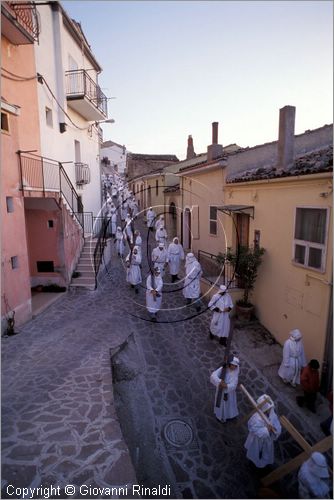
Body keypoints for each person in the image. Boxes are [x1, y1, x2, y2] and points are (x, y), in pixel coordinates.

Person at [244, 394, 282, 469]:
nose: (269, 410)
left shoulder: (273, 416)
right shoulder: (257, 417)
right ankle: (252, 462)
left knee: (265, 452)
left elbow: (278, 427)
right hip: (256, 440)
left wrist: (275, 430)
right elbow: (254, 428)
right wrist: (266, 430)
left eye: (270, 408)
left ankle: (263, 463)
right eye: (268, 409)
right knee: (254, 451)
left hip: (267, 440)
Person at [210, 356, 240, 423]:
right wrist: (219, 381)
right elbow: (213, 375)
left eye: (235, 366)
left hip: (229, 394)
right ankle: (220, 416)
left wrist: (226, 386)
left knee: (229, 405)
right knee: (220, 405)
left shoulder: (235, 373)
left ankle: (228, 415)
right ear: (230, 364)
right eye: (233, 365)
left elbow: (234, 385)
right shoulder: (223, 369)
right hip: (220, 391)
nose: (234, 367)